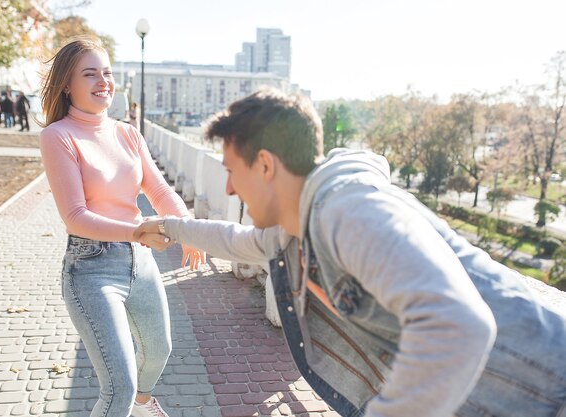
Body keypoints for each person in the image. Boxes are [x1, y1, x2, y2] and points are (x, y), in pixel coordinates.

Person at [135, 88, 566, 417]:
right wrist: (169, 228)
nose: (228, 187)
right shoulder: (294, 231)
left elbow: (459, 325)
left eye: (231, 171)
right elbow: (234, 239)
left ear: (265, 165)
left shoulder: (347, 209)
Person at [39, 37, 205, 417]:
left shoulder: (127, 133)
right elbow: (75, 216)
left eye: (108, 73)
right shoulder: (58, 136)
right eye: (90, 74)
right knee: (118, 389)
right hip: (91, 269)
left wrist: (187, 230)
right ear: (67, 84)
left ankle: (145, 404)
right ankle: (132, 401)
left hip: (140, 263)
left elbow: (159, 189)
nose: (104, 81)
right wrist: (135, 231)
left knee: (159, 351)